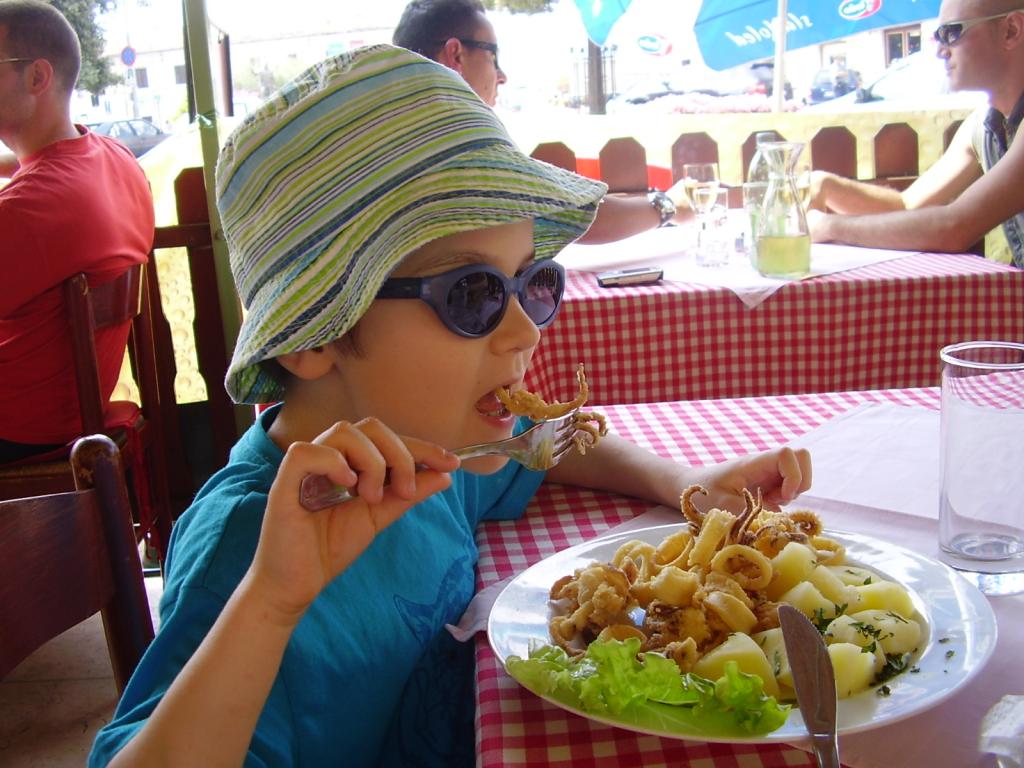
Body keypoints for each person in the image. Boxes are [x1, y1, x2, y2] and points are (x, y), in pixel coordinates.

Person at [88, 46, 811, 768]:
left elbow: (542, 443)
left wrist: (685, 483)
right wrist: (271, 604)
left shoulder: (436, 449)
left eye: (533, 281)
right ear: (314, 335)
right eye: (472, 294)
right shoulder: (248, 550)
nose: (527, 331)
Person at [392, 0, 693, 245]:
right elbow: (571, 213)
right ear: (455, 54)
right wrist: (669, 206)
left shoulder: (392, 131)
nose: (502, 75)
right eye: (493, 55)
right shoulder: (460, 137)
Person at [0, 0, 154, 463]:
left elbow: (35, 204)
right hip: (69, 415)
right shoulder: (114, 158)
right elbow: (40, 172)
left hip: (20, 430)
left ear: (37, 77)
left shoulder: (28, 208)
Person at [808, 0, 1024, 268]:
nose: (940, 51)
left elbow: (955, 227)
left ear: (1011, 31)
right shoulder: (983, 124)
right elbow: (907, 205)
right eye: (937, 36)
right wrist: (826, 185)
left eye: (951, 33)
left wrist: (830, 227)